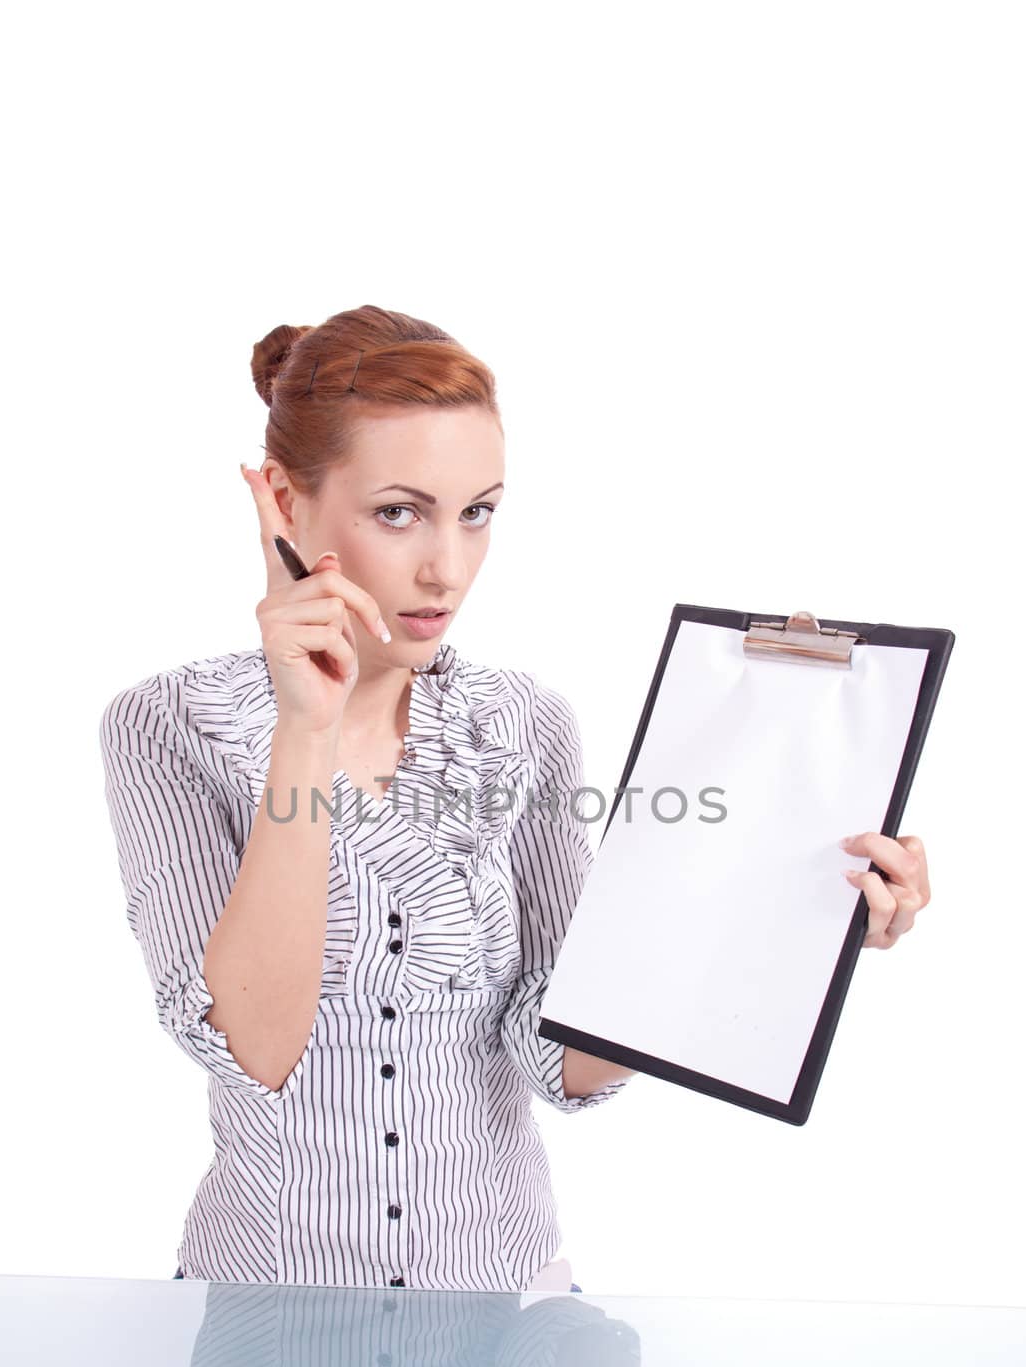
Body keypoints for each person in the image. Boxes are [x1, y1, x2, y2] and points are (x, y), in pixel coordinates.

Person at [99, 304, 932, 1292]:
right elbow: (250, 1048)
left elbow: (558, 1053)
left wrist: (785, 927)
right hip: (270, 1313)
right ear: (282, 499)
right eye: (398, 511)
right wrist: (304, 732)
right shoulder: (165, 725)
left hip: (503, 1311)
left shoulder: (525, 723)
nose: (445, 567)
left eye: (477, 511)